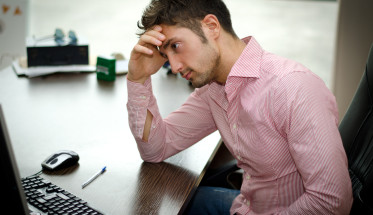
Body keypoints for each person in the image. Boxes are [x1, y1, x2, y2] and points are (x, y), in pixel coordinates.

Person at [126, 0, 353, 214]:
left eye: (175, 46)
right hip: (245, 205)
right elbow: (156, 149)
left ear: (211, 26)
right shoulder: (213, 89)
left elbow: (331, 202)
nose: (173, 67)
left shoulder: (293, 87)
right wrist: (138, 79)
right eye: (166, 55)